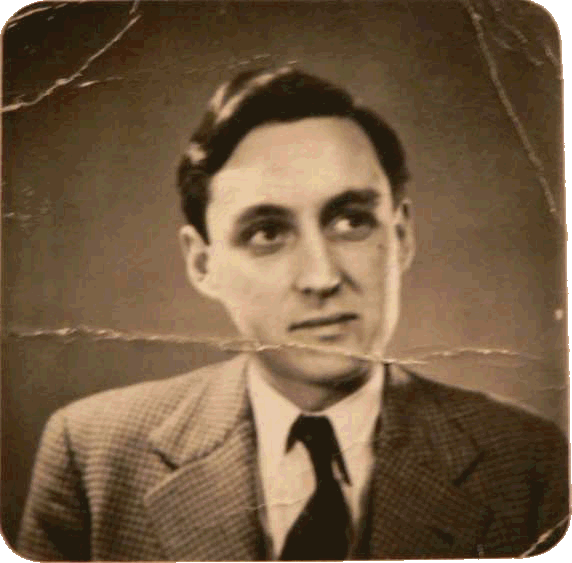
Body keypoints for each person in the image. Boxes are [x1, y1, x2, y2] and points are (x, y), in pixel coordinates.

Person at [17, 66, 568, 561]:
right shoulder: (91, 454)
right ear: (203, 263)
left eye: (351, 221)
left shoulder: (529, 463)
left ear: (400, 237)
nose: (321, 278)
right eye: (267, 233)